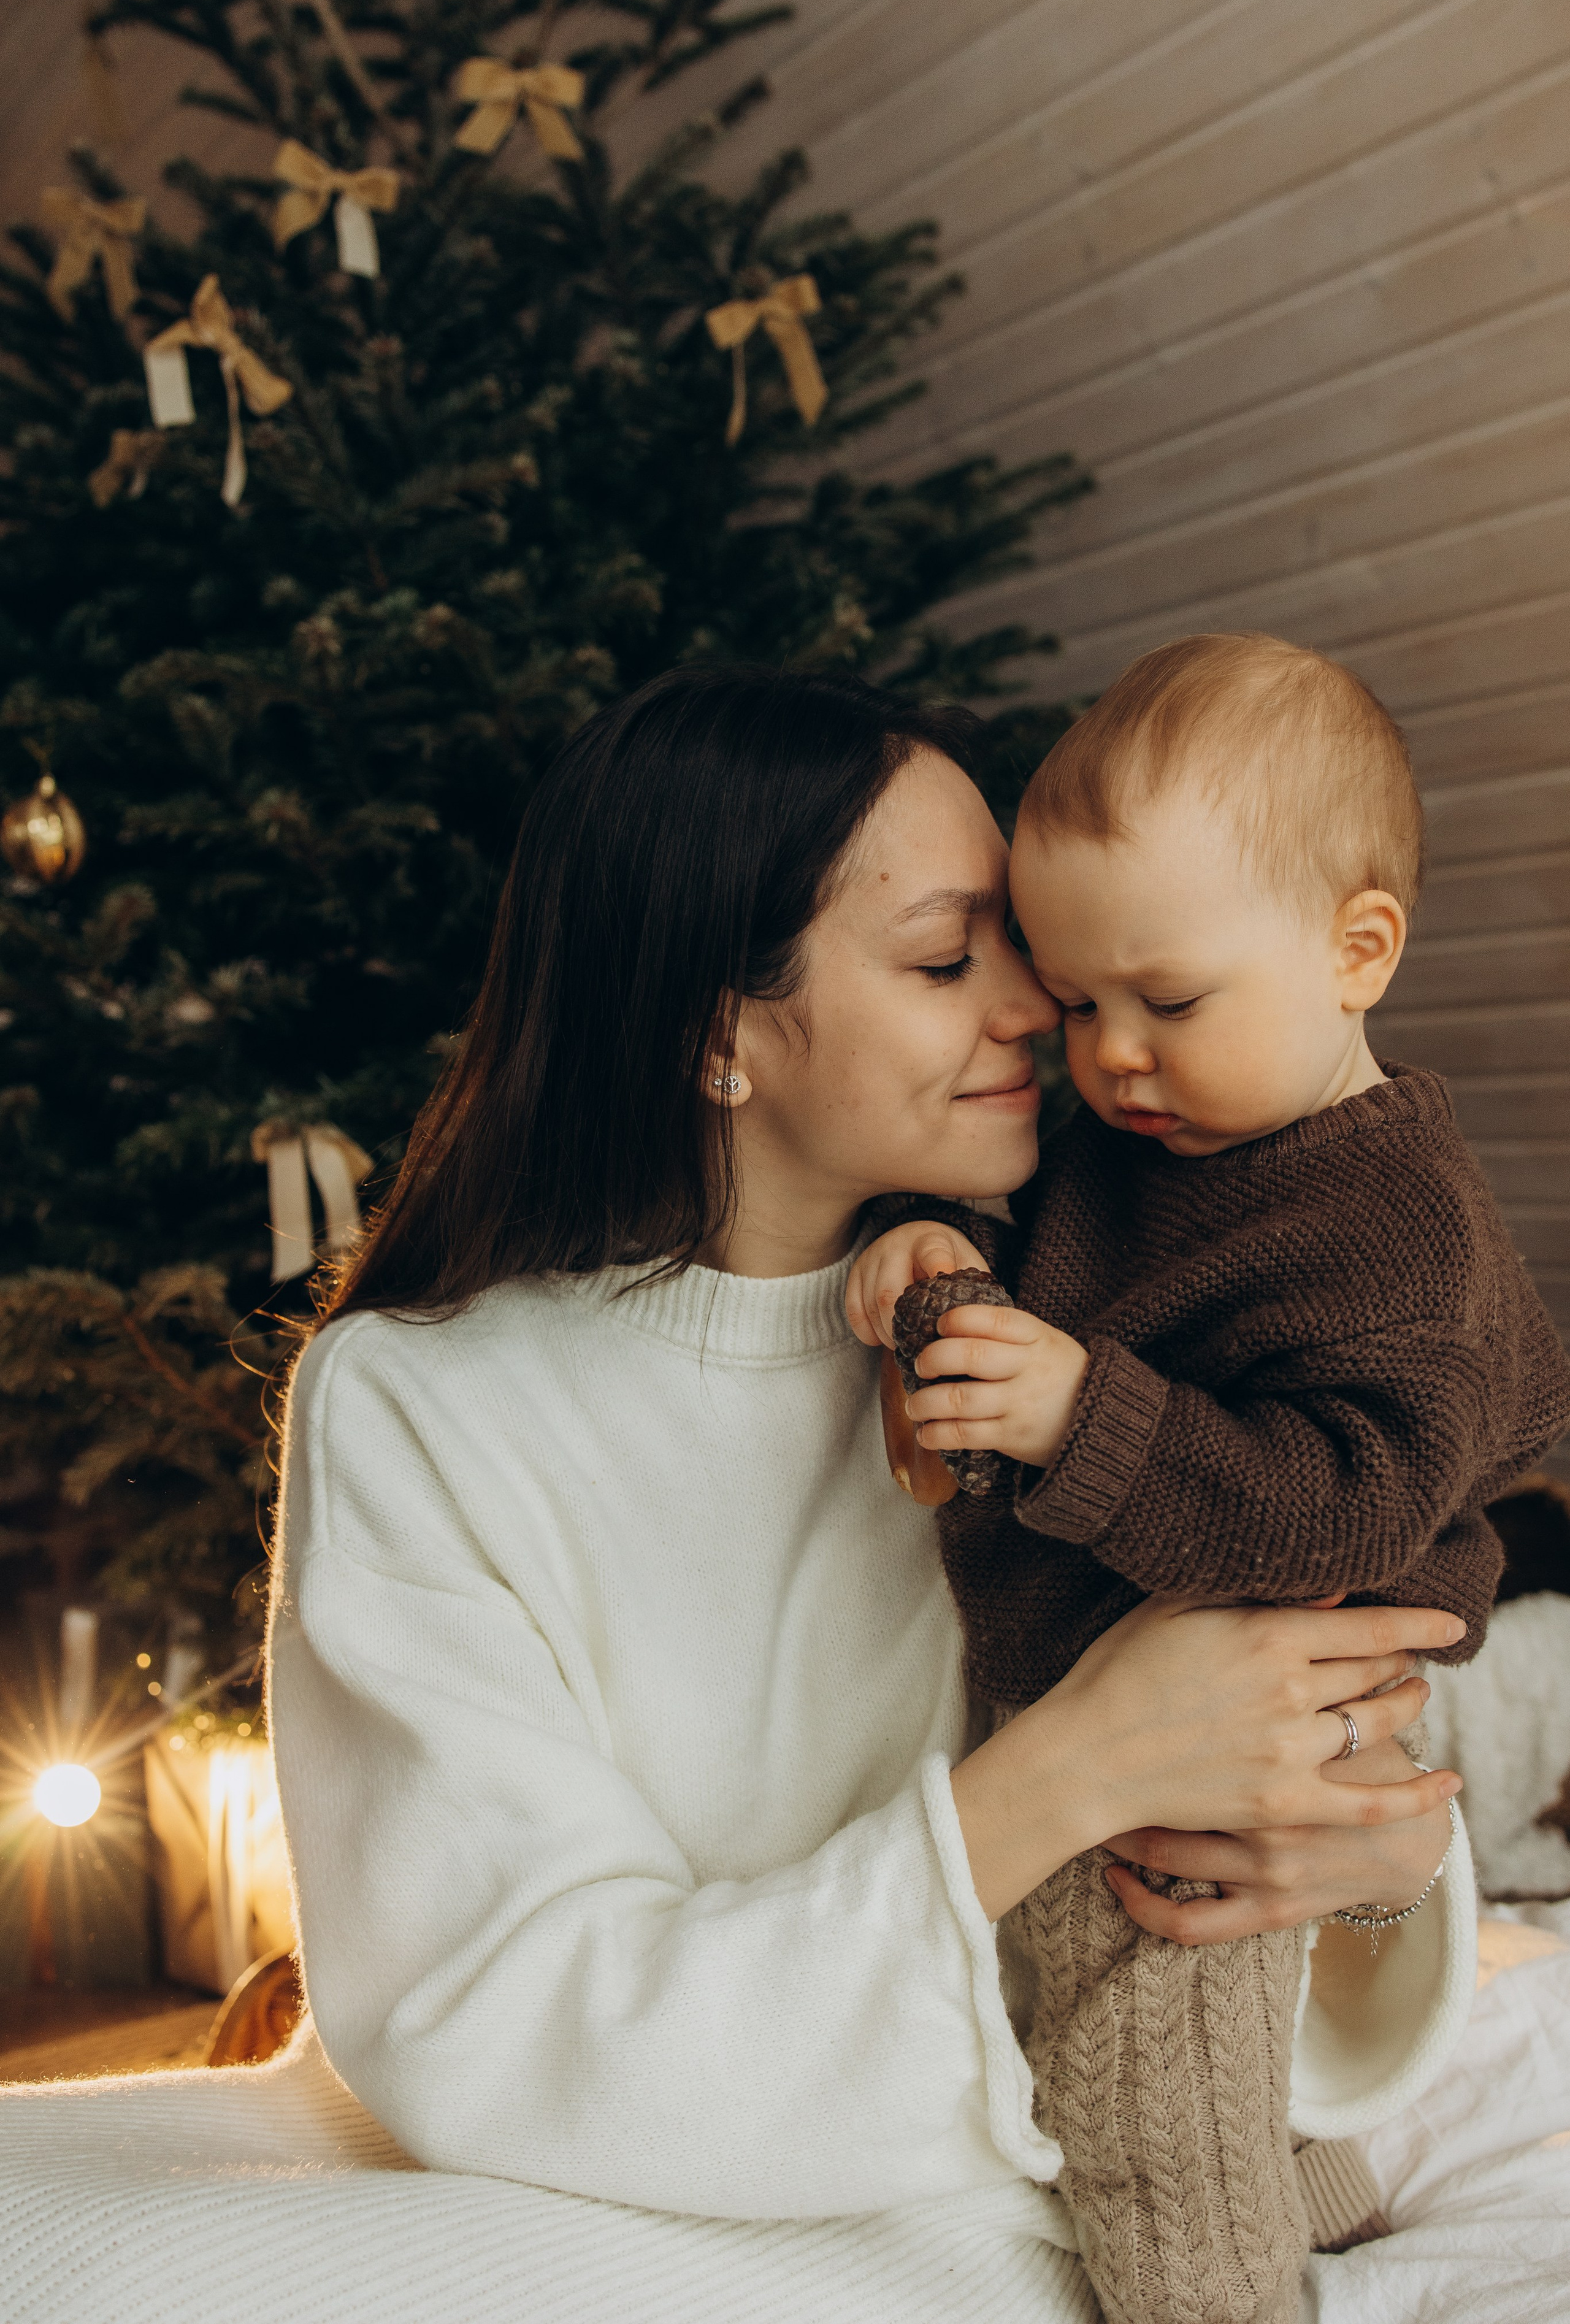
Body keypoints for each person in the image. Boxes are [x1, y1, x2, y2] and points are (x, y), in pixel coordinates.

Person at [0, 666, 1563, 2324]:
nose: (1052, 1014)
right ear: (716, 1032)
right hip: (668, 2170)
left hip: (1112, 2155)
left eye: (1022, 946)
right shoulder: (425, 1407)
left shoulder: (1057, 1324)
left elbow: (1315, 1739)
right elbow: (502, 2021)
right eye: (953, 957)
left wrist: (1364, 1862)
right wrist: (1070, 1770)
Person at [848, 634, 1570, 2324]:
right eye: (1081, 1000)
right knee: (1090, 2053)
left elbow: (1348, 1519)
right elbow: (1027, 1226)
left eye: (1163, 1002)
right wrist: (929, 1239)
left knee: (1145, 2078)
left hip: (1219, 1769)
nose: (1108, 1057)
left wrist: (1080, 1415)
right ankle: (1318, 2177)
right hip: (1094, 1709)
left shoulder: (1396, 1241)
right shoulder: (1151, 1137)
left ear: (1357, 950)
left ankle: (1223, 2287)